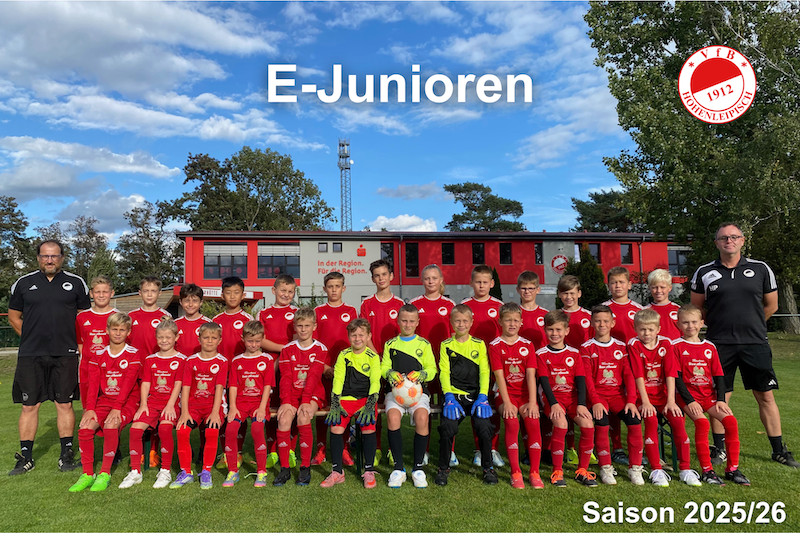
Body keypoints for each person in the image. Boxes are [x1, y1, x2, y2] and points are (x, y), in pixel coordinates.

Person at [690, 222, 797, 468]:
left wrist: (753, 325)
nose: (729, 241)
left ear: (742, 240)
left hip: (755, 343)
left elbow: (771, 306)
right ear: (716, 243)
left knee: (765, 396)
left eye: (734, 237)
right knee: (719, 398)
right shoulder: (704, 271)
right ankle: (720, 449)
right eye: (723, 238)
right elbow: (697, 309)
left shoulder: (761, 268)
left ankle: (778, 450)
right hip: (718, 345)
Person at [9, 239, 90, 475]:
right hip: (31, 354)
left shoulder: (76, 283)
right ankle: (26, 458)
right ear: (38, 258)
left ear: (62, 258)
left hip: (65, 354)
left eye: (54, 256)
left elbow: (85, 318)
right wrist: (32, 337)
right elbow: (14, 317)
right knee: (29, 405)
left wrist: (80, 345)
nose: (50, 260)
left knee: (64, 404)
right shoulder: (23, 283)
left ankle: (66, 455)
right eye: (45, 256)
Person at [673, 304, 750, 486]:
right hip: (686, 397)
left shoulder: (709, 347)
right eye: (685, 322)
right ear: (678, 324)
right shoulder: (675, 346)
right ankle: (707, 470)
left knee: (731, 422)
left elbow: (719, 376)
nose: (690, 326)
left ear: (702, 323)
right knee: (702, 423)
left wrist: (721, 400)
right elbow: (676, 378)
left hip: (709, 397)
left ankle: (732, 469)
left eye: (694, 322)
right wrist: (690, 401)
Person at [69, 312, 142, 492]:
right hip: (105, 401)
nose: (118, 333)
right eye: (114, 329)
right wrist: (89, 408)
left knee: (111, 424)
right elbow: (93, 385)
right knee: (85, 427)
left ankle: (104, 473)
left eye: (122, 330)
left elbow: (128, 385)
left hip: (127, 401)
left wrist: (117, 408)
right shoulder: (98, 354)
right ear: (107, 330)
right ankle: (87, 474)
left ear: (128, 332)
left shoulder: (133, 354)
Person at [628, 309, 699, 487]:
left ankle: (685, 469)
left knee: (678, 419)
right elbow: (638, 375)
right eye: (642, 329)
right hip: (643, 397)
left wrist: (671, 401)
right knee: (651, 421)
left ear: (658, 329)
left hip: (664, 396)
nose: (647, 333)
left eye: (651, 329)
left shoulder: (666, 343)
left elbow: (670, 373)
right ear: (635, 329)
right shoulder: (633, 344)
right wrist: (645, 402)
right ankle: (656, 469)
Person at [580, 305, 643, 486]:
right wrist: (595, 401)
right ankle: (606, 467)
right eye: (598, 321)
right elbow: (587, 378)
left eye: (606, 321)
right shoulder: (586, 348)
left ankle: (635, 467)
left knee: (634, 420)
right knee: (602, 422)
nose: (602, 324)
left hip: (617, 396)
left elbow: (628, 375)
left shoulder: (621, 346)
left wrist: (631, 401)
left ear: (612, 323)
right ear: (592, 323)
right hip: (597, 397)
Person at [119, 317, 185, 489]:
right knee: (135, 430)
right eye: (160, 337)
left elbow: (178, 384)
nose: (164, 340)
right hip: (152, 402)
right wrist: (143, 404)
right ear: (156, 338)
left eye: (168, 337)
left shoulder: (181, 360)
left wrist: (170, 405)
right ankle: (135, 472)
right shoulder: (150, 359)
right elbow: (146, 383)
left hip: (172, 403)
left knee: (164, 429)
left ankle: (165, 471)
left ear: (176, 337)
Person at [434, 305, 495, 486]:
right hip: (454, 397)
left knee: (484, 427)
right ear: (451, 322)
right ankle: (443, 468)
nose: (461, 324)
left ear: (471, 322)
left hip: (476, 397)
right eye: (457, 321)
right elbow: (444, 372)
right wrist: (448, 397)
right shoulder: (446, 345)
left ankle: (488, 468)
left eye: (465, 321)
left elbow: (484, 371)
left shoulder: (479, 344)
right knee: (447, 428)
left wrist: (483, 396)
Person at [536, 310, 596, 487]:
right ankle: (557, 471)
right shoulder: (541, 354)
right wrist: (553, 404)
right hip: (552, 399)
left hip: (573, 398)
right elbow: (544, 382)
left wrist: (582, 404)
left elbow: (580, 380)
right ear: (545, 330)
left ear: (566, 331)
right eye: (550, 329)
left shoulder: (575, 353)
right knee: (561, 424)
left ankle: (582, 471)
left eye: (558, 330)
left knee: (588, 424)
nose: (554, 333)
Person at [320, 318, 381, 489]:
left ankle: (369, 471)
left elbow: (375, 382)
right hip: (345, 400)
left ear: (368, 336)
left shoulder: (373, 357)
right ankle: (337, 471)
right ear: (348, 337)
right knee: (336, 428)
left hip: (365, 400)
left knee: (368, 428)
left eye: (361, 335)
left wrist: (370, 404)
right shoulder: (344, 355)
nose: (357, 338)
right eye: (353, 335)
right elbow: (338, 379)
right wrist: (335, 402)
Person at [382, 304, 437, 489]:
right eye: (404, 320)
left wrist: (423, 374)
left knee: (422, 418)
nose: (408, 324)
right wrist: (389, 372)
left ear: (417, 322)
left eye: (412, 321)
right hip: (395, 393)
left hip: (418, 393)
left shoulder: (424, 344)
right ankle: (398, 469)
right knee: (392, 417)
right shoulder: (390, 344)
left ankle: (418, 469)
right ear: (398, 321)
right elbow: (383, 367)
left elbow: (432, 369)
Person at [489, 303, 543, 489]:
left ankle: (534, 472)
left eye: (515, 320)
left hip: (525, 396)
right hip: (505, 395)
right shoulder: (495, 345)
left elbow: (530, 375)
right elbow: (499, 376)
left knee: (533, 421)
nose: (512, 324)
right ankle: (515, 472)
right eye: (508, 320)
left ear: (521, 322)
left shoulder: (528, 345)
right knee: (512, 421)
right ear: (500, 322)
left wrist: (533, 402)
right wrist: (506, 402)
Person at [170, 322, 228, 489]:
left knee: (211, 430)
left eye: (213, 338)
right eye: (206, 337)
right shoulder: (190, 361)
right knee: (182, 430)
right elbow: (186, 387)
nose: (209, 341)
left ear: (219, 340)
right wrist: (184, 412)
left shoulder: (222, 361)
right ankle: (186, 472)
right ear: (199, 339)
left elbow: (219, 388)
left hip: (213, 406)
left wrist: (215, 412)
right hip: (193, 406)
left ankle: (206, 471)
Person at [274, 310, 327, 487]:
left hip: (312, 394)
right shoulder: (287, 349)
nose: (303, 329)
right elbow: (286, 377)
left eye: (307, 325)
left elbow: (313, 377)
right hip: (291, 394)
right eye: (300, 326)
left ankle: (305, 468)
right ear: (295, 327)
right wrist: (285, 401)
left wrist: (305, 400)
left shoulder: (320, 349)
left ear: (314, 326)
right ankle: (284, 469)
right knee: (283, 419)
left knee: (304, 417)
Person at [410, 264, 455, 467]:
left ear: (441, 280)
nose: (430, 281)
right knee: (424, 409)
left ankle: (450, 451)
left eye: (434, 278)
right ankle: (425, 450)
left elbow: (454, 335)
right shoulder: (414, 304)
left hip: (444, 364)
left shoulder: (450, 304)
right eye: (427, 278)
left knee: (449, 408)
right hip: (423, 366)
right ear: (422, 280)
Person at [360, 259, 404, 465]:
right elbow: (364, 333)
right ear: (372, 279)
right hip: (373, 362)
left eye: (384, 274)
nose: (381, 278)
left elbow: (404, 335)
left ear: (391, 276)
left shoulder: (400, 304)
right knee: (374, 405)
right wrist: (376, 358)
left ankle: (392, 449)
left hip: (394, 365)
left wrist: (390, 361)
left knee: (395, 407)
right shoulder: (367, 304)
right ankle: (376, 448)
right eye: (377, 275)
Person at [312, 271, 357, 466]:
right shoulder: (318, 311)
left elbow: (356, 341)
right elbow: (313, 343)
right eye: (330, 286)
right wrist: (323, 366)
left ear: (343, 288)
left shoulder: (351, 311)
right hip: (322, 369)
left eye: (337, 286)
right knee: (322, 409)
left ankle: (345, 448)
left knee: (344, 408)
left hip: (345, 371)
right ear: (324, 289)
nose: (334, 290)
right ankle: (321, 449)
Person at [462, 264, 504, 468]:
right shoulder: (464, 305)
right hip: (472, 366)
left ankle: (493, 449)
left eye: (485, 282)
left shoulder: (499, 306)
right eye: (477, 281)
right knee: (477, 406)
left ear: (492, 284)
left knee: (494, 407)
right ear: (471, 283)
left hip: (494, 365)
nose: (481, 285)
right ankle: (479, 450)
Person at [223, 321, 274, 488]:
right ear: (243, 338)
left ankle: (261, 472)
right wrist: (233, 407)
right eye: (250, 341)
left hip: (259, 403)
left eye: (258, 341)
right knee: (230, 430)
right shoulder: (237, 361)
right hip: (240, 404)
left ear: (263, 339)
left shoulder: (266, 359)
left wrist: (262, 407)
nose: (254, 344)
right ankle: (233, 471)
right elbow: (232, 385)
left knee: (257, 429)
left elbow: (267, 386)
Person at [255, 273, 299, 467]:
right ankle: (272, 450)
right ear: (274, 290)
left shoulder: (297, 312)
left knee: (291, 405)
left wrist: (286, 355)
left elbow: (300, 338)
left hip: (293, 366)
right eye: (283, 290)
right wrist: (284, 349)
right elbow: (260, 340)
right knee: (271, 406)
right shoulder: (264, 313)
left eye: (290, 291)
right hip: (270, 366)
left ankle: (290, 449)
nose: (286, 294)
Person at [602, 266, 642, 467]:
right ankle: (617, 448)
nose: (617, 286)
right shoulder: (603, 310)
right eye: (613, 282)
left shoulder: (639, 310)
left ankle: (642, 448)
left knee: (637, 405)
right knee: (613, 406)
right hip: (611, 366)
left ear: (629, 284)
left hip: (636, 366)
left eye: (621, 282)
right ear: (608, 285)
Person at [76, 275, 117, 408]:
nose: (101, 295)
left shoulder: (118, 317)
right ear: (91, 294)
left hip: (111, 370)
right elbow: (80, 342)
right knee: (88, 408)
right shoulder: (82, 317)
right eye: (97, 292)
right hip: (87, 370)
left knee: (110, 408)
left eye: (105, 292)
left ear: (112, 293)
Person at [128, 276, 172, 360]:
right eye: (146, 291)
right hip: (135, 362)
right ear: (140, 293)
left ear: (159, 293)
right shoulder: (131, 315)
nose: (149, 295)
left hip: (156, 362)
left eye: (153, 291)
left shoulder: (166, 316)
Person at [174, 283, 212, 359]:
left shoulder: (208, 324)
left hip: (200, 364)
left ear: (201, 302)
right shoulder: (174, 324)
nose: (190, 304)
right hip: (180, 364)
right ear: (181, 302)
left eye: (195, 301)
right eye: (186, 301)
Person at [643, 269, 681, 340]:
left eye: (662, 287)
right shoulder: (644, 311)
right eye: (654, 287)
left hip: (675, 346)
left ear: (670, 288)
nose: (658, 291)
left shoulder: (678, 310)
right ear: (649, 288)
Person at [517, 271, 548, 350]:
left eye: (531, 288)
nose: (527, 291)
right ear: (518, 290)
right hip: (520, 354)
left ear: (538, 290)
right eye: (523, 288)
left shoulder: (546, 314)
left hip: (541, 355)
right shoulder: (514, 313)